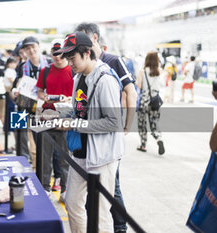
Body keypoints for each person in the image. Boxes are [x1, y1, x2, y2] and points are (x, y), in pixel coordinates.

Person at [54, 32, 124, 233]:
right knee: (73, 203)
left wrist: (74, 124)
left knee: (100, 215)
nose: (69, 63)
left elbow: (113, 122)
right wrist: (55, 113)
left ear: (86, 53)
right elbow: (80, 110)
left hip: (102, 156)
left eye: (72, 57)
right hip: (81, 153)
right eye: (67, 58)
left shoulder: (105, 79)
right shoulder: (79, 78)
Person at [76, 22, 135, 233]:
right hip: (87, 147)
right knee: (98, 197)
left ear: (92, 40)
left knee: (111, 192)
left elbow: (131, 93)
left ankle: (120, 227)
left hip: (106, 146)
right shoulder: (80, 73)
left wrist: (127, 125)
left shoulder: (111, 64)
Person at [36, 39, 73, 200]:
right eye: (54, 53)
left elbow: (80, 94)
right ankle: (45, 186)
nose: (57, 57)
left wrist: (69, 99)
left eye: (60, 53)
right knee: (45, 155)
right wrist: (44, 97)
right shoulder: (45, 70)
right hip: (48, 115)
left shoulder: (73, 70)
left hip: (66, 115)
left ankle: (65, 189)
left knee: (65, 155)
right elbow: (39, 91)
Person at [136, 52, 165, 155]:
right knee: (154, 123)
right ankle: (159, 139)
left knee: (142, 124)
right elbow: (162, 85)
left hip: (144, 101)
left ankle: (143, 145)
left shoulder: (142, 71)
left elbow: (139, 86)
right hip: (155, 101)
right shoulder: (160, 71)